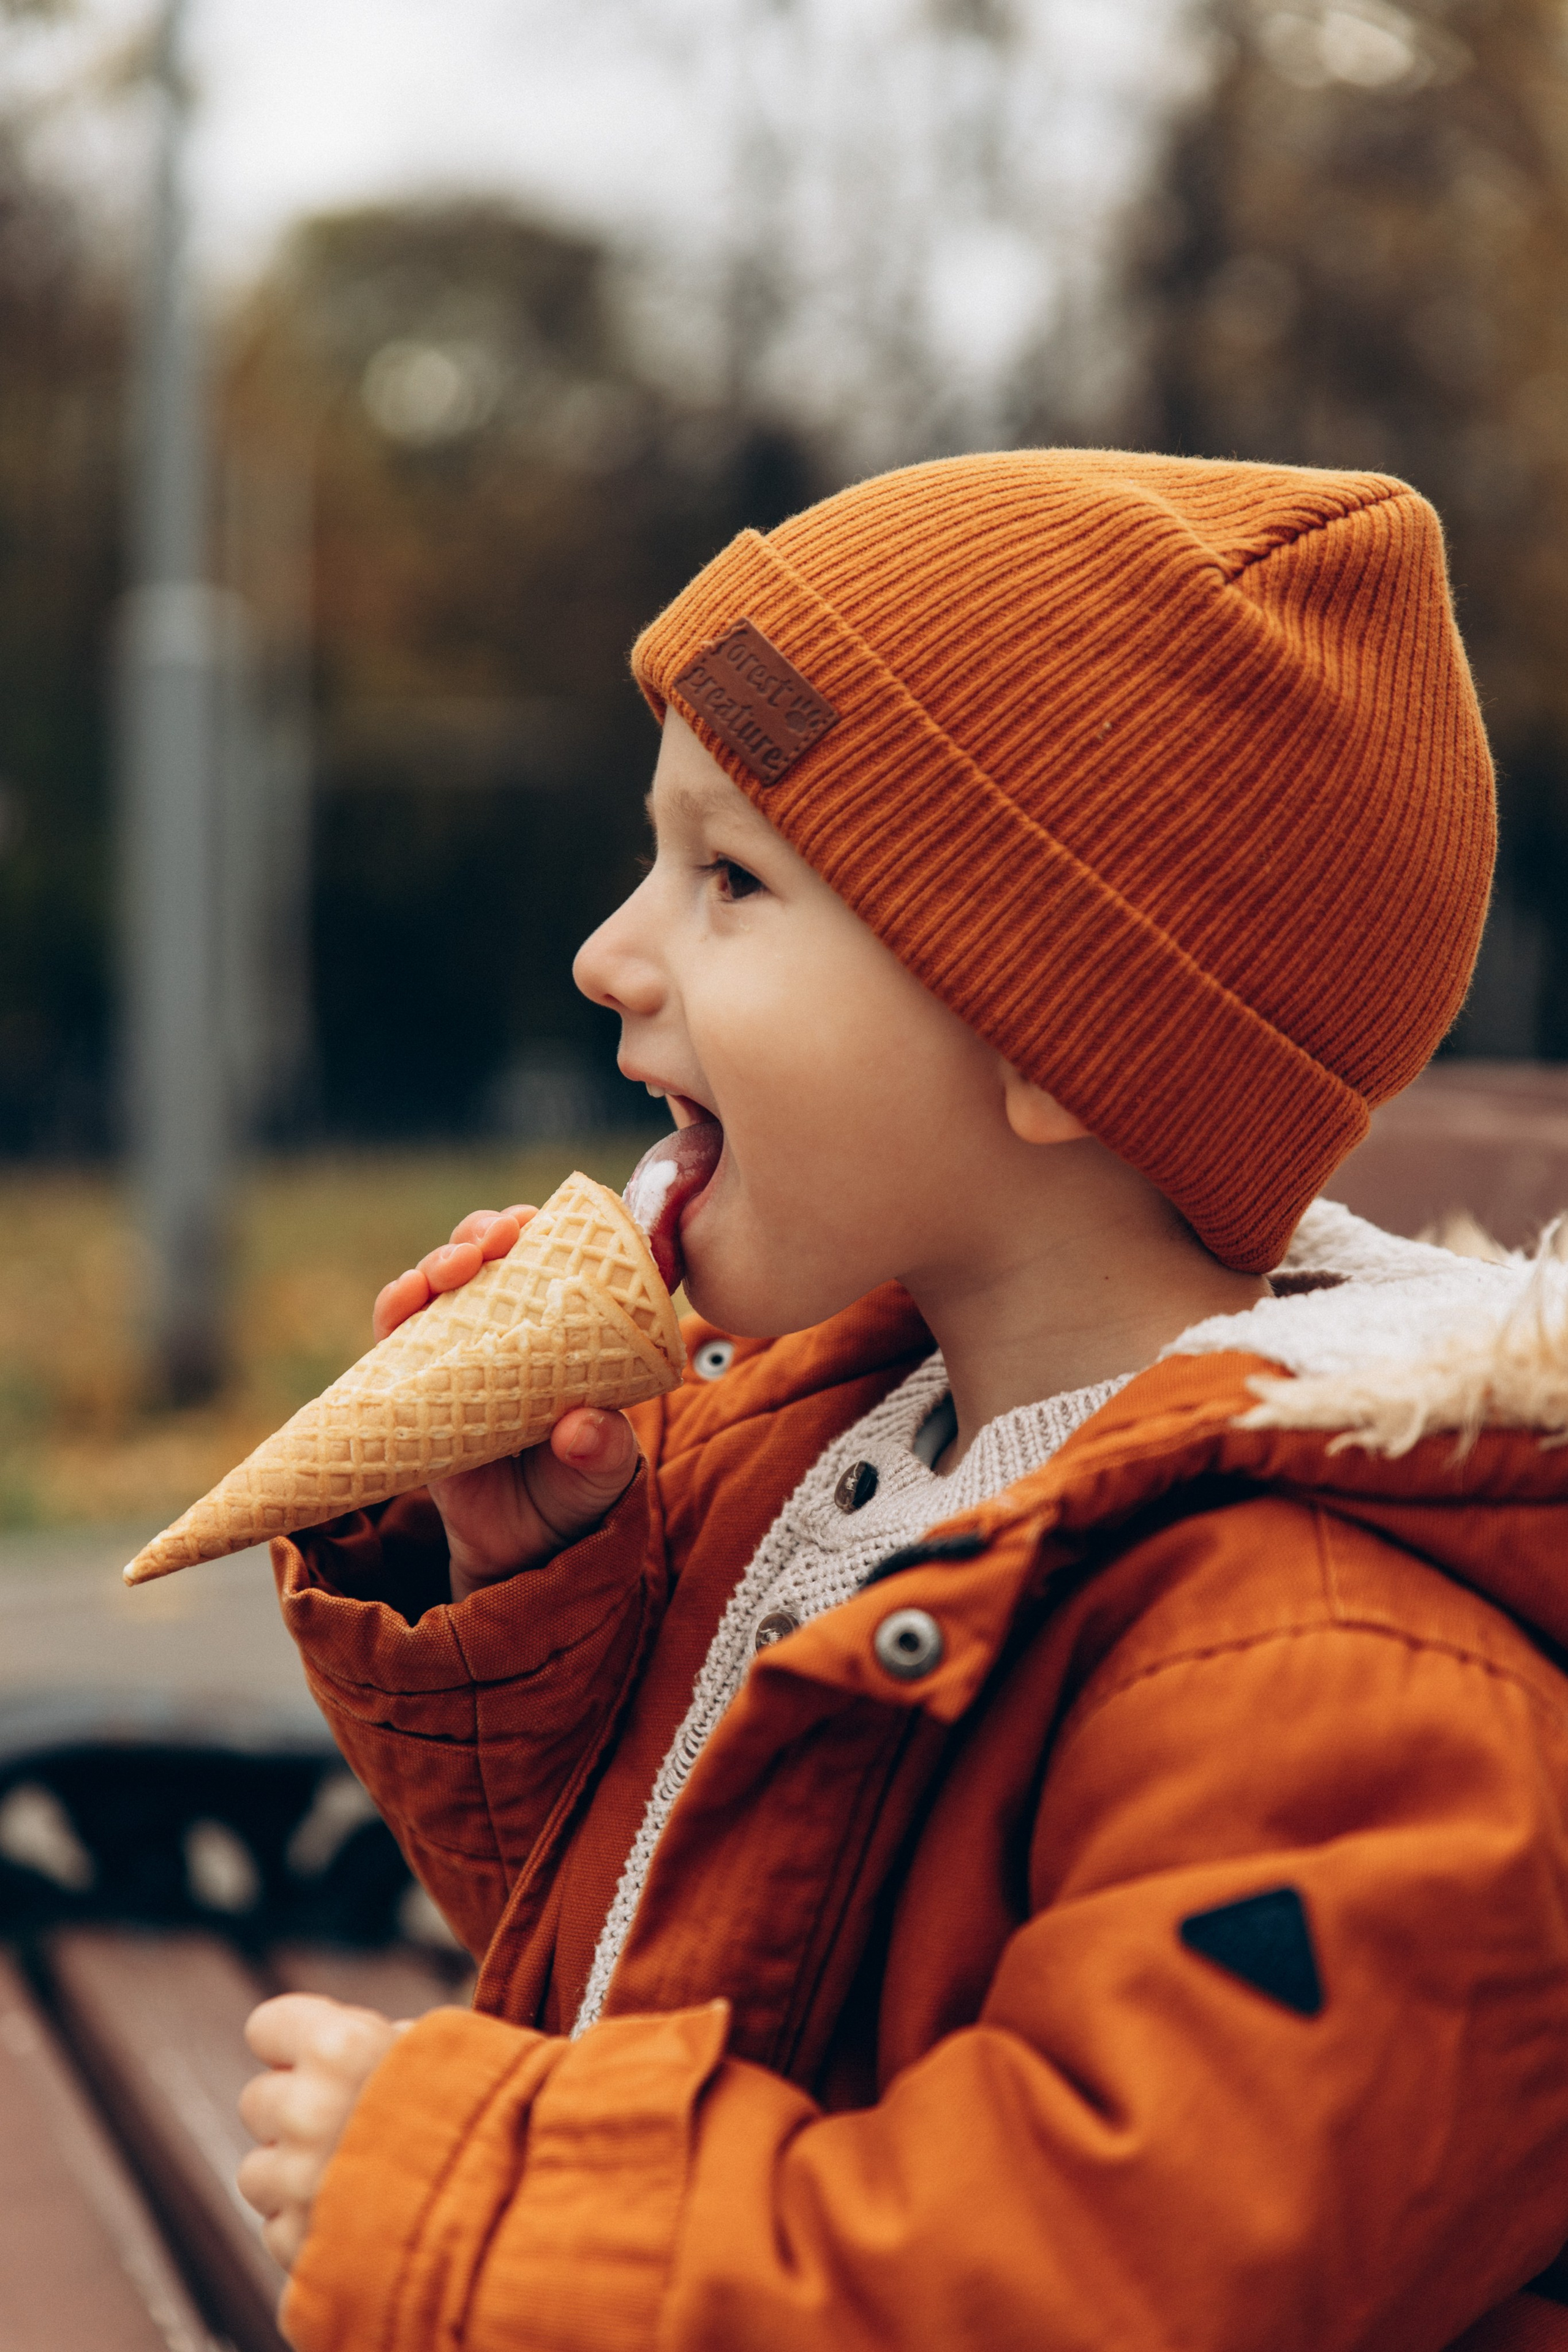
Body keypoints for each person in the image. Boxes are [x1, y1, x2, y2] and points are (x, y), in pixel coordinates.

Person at [236, 450, 1568, 2352]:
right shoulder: (843, 1450)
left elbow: (1104, 2277)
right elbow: (683, 1959)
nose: (611, 957)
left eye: (730, 879)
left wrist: (480, 2204)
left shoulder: (1329, 1670)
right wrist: (545, 1599)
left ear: (1053, 1034)